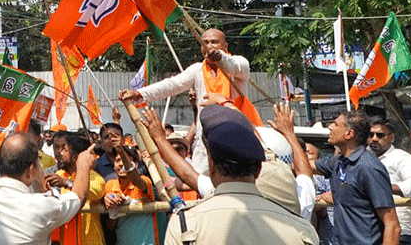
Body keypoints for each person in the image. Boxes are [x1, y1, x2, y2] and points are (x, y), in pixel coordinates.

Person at [164, 115, 319, 244]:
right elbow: (305, 174)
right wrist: (289, 134)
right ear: (258, 169)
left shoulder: (185, 224)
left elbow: (188, 176)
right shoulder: (302, 227)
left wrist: (159, 139)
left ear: (211, 168)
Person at [119, 28, 252, 173]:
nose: (209, 46)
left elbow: (236, 67)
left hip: (236, 138)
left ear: (225, 46)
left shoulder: (238, 63)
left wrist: (220, 58)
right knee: (204, 187)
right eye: (205, 42)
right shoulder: (197, 70)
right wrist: (139, 93)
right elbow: (172, 85)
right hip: (206, 144)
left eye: (214, 42)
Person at [0, 133, 98, 245]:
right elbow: (78, 196)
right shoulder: (42, 206)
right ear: (29, 171)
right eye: (39, 166)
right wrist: (83, 164)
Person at [312, 111, 400, 245]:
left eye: (335, 124)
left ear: (349, 134)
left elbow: (392, 226)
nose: (330, 127)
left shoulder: (369, 167)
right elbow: (306, 166)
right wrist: (288, 136)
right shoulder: (337, 162)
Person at [367, 117, 411, 244]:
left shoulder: (401, 158)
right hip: (370, 232)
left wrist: (385, 188)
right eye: (371, 135)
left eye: (380, 135)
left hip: (400, 233)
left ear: (392, 137)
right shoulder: (364, 159)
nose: (374, 138)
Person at [46, 130, 106, 245]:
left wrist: (66, 183)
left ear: (76, 157)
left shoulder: (94, 177)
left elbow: (93, 192)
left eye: (65, 149)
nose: (60, 153)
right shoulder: (59, 175)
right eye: (57, 147)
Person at [103, 146, 159, 245]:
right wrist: (113, 208)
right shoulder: (110, 185)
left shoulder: (144, 181)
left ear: (136, 165)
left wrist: (120, 150)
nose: (121, 164)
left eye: (126, 160)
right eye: (118, 160)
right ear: (114, 165)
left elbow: (138, 181)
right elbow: (110, 227)